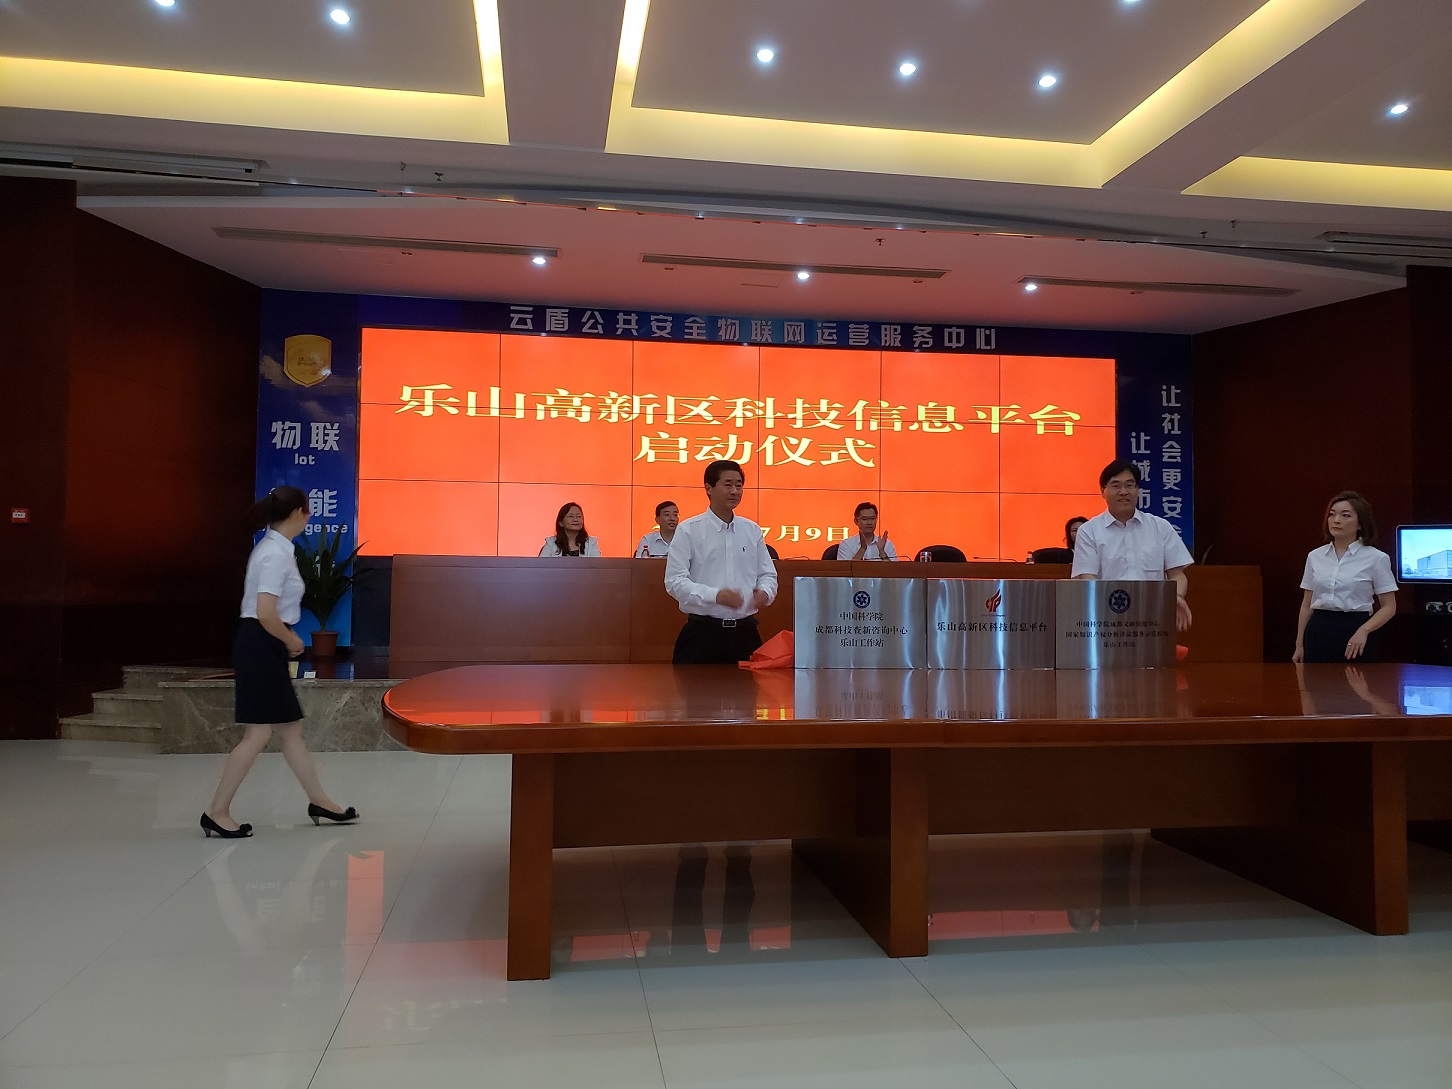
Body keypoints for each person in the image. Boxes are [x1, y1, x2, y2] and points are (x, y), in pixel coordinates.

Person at [201, 487, 356, 839]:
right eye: (308, 511)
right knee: (258, 733)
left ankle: (319, 801)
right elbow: (265, 612)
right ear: (299, 512)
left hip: (264, 642)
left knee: (290, 729)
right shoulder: (273, 554)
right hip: (260, 642)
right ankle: (217, 811)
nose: (309, 517)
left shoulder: (278, 549)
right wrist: (291, 640)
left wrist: (283, 639)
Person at [664, 460, 779, 663]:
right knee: (692, 685)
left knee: (749, 685)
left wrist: (765, 592)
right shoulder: (689, 530)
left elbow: (768, 574)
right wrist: (715, 595)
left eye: (739, 485)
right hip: (702, 634)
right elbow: (674, 582)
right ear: (709, 488)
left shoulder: (751, 530)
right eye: (728, 484)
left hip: (745, 634)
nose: (735, 491)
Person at [1072, 460, 1194, 631]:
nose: (1124, 492)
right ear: (1103, 491)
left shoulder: (1160, 527)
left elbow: (1177, 574)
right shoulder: (1089, 531)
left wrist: (1177, 596)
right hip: (1107, 621)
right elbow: (1087, 578)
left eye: (1130, 485)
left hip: (1153, 619)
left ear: (1137, 490)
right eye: (1116, 485)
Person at [1293, 490, 1397, 663]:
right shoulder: (1315, 556)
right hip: (1318, 630)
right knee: (1316, 680)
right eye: (1332, 514)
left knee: (1354, 679)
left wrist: (1364, 630)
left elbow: (1389, 607)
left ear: (1360, 524)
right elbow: (1306, 605)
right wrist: (1299, 644)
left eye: (1345, 515)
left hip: (1355, 629)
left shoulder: (1376, 558)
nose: (1336, 520)